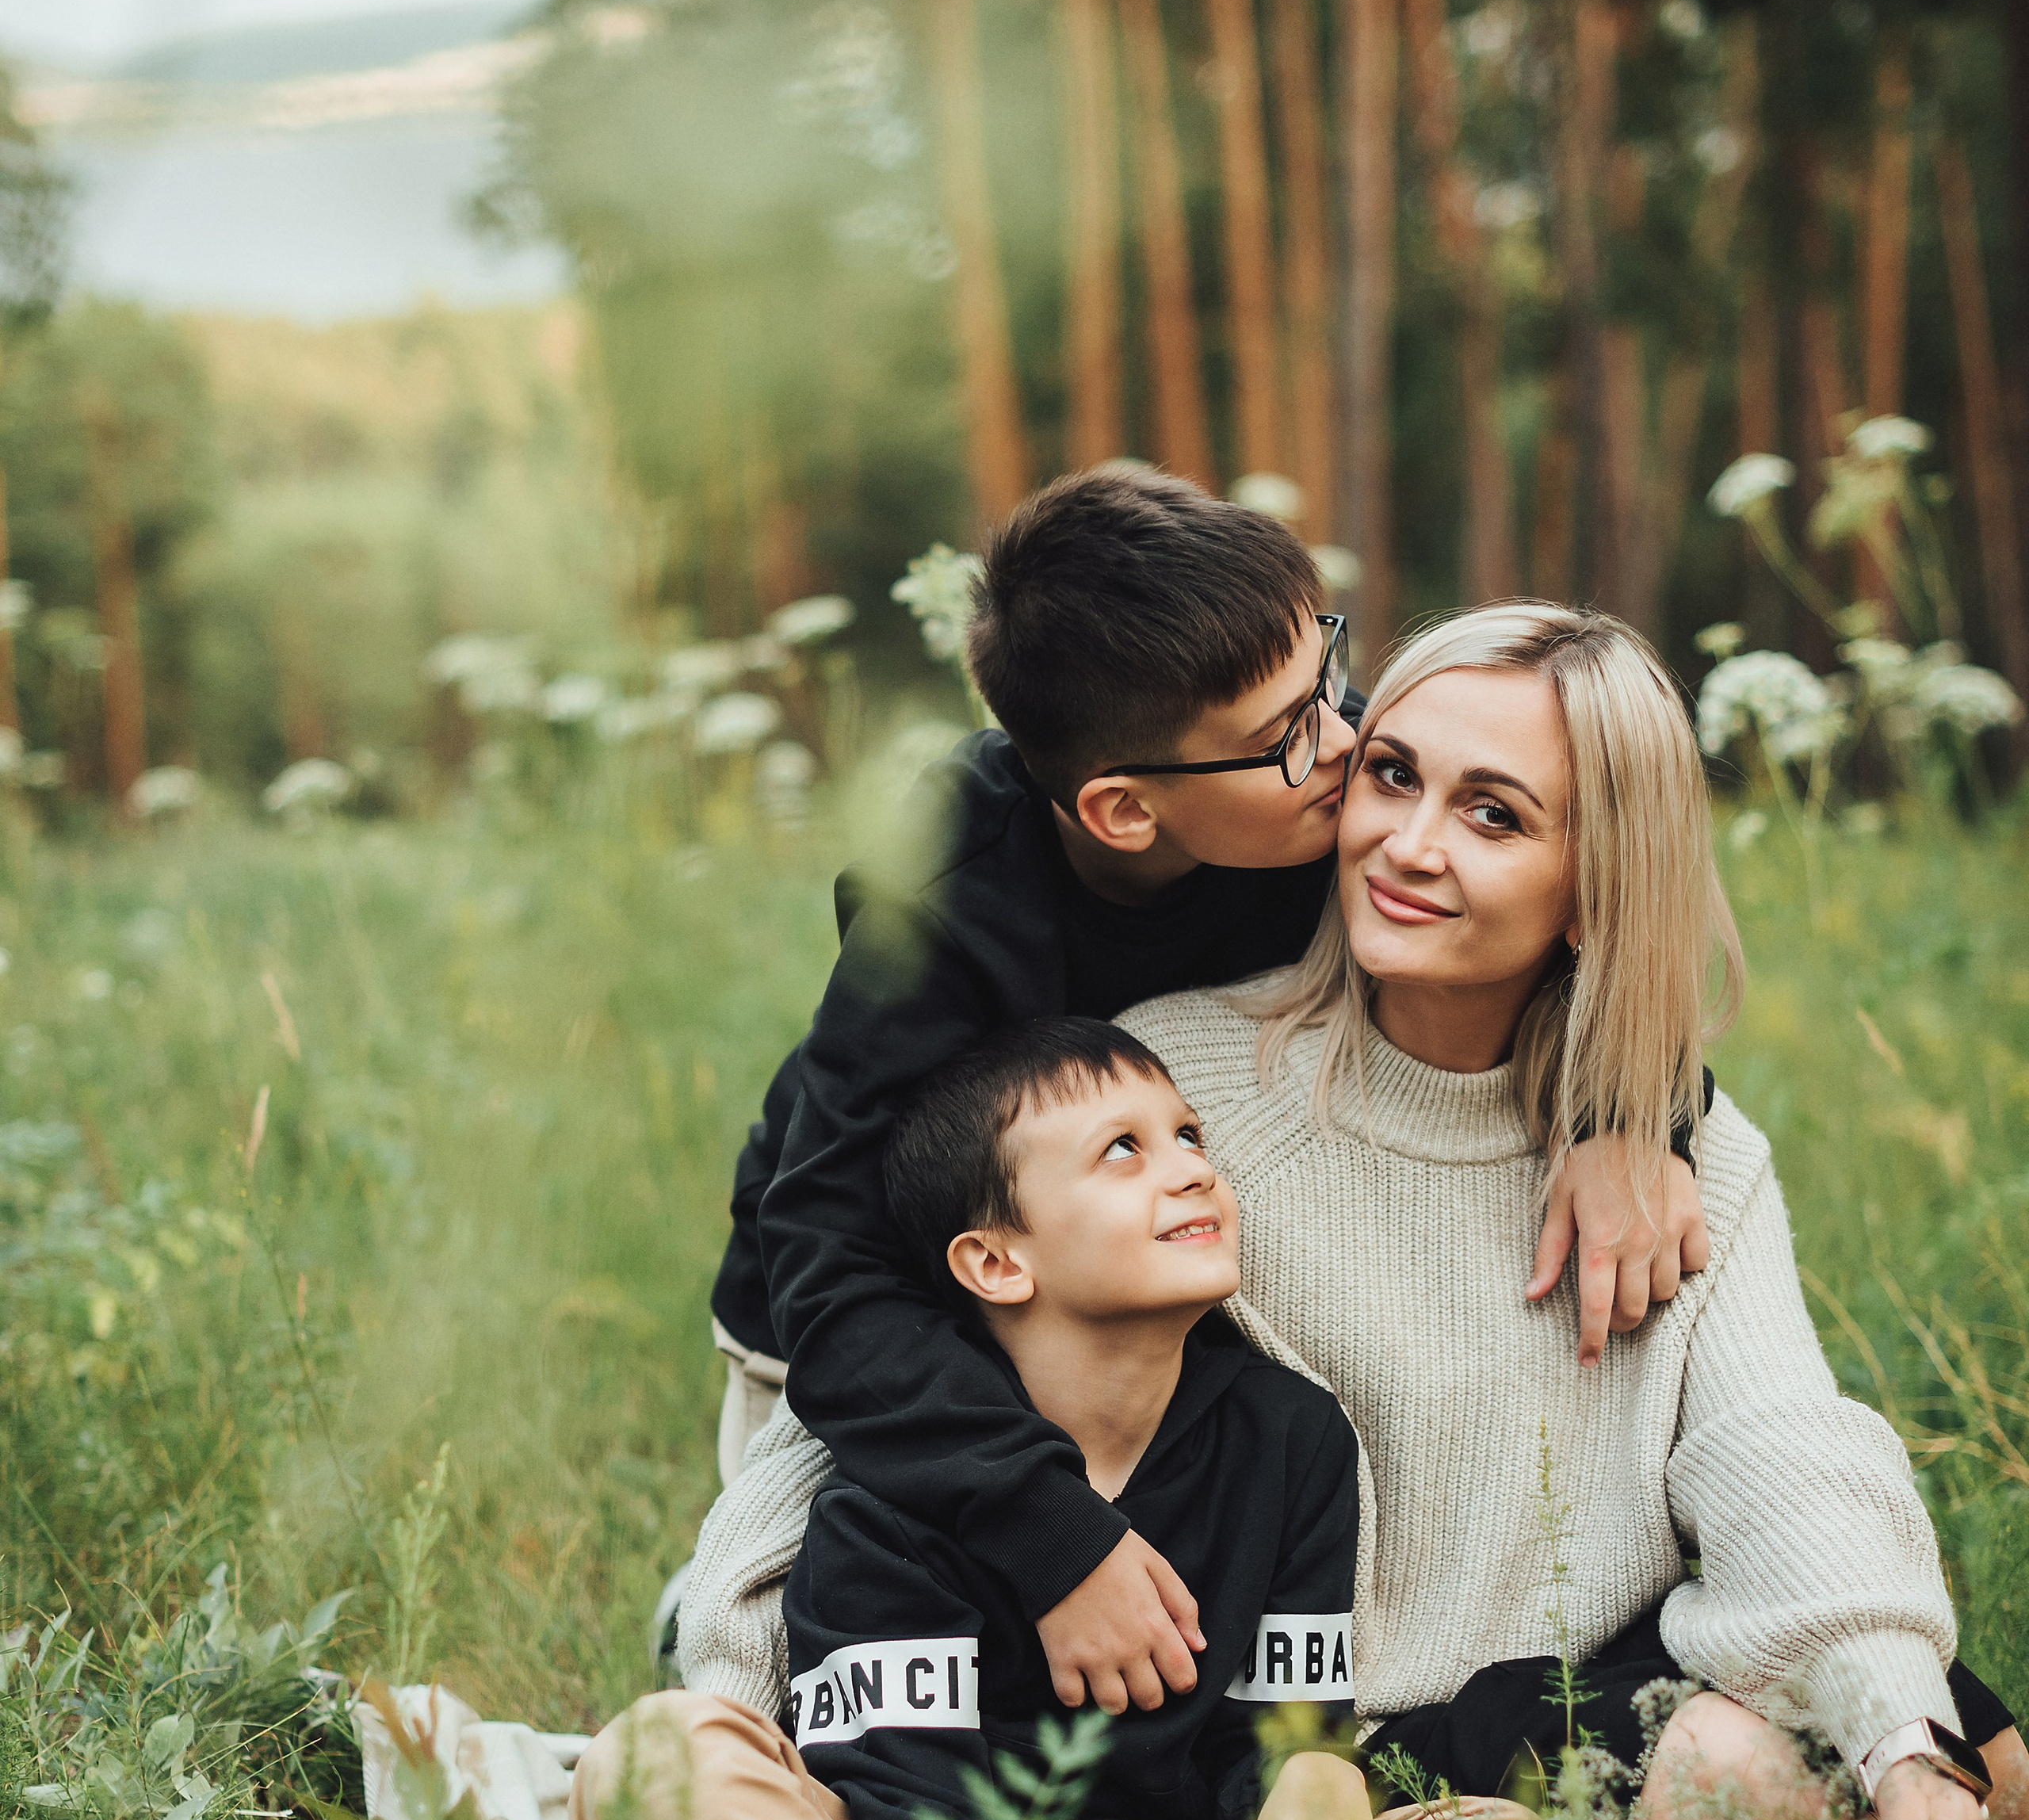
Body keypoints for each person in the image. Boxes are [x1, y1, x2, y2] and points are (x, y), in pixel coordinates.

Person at [671, 599, 2029, 1820]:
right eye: (1391, 776)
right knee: (1733, 1779)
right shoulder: (1181, 1097)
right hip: (1310, 1752)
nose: (1405, 843)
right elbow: (894, 1379)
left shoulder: (1674, 1165)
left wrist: (1912, 1768)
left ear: (1597, 889)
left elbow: (1780, 1451)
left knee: (1972, 1757)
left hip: (1558, 1706)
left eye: (1493, 815)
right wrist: (752, 1715)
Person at [678, 468, 1708, 1731]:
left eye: (1330, 676)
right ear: (1122, 809)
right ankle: (711, 1630)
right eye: (1292, 733)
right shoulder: (944, 911)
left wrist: (1629, 1117)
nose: (1347, 748)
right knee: (867, 1622)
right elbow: (835, 1276)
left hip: (1126, 1243)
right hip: (874, 1274)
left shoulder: (1319, 774)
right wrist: (1051, 1536)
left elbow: (1553, 915)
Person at [574, 1020, 1529, 1820]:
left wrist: (1312, 1778)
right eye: (1121, 1151)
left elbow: (1270, 1729)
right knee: (649, 1769)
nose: (1187, 1166)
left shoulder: (1291, 1438)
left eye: (1187, 1134)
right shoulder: (911, 1481)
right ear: (996, 1261)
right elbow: (898, 1783)